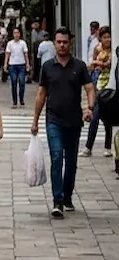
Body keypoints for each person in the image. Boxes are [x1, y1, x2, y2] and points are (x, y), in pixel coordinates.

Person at [30, 26, 97, 218]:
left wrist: (90, 108)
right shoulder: (48, 67)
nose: (62, 45)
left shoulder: (79, 66)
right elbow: (41, 94)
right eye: (58, 42)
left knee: (72, 161)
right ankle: (57, 200)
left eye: (65, 42)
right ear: (54, 43)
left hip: (74, 121)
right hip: (53, 120)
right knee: (57, 157)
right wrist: (35, 121)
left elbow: (90, 89)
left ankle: (67, 196)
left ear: (70, 43)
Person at [85, 26, 113, 158]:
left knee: (108, 118)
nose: (107, 39)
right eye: (105, 37)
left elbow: (109, 63)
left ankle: (107, 147)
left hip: (112, 85)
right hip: (100, 84)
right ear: (100, 38)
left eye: (109, 36)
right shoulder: (98, 48)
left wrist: (100, 64)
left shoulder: (114, 49)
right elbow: (93, 64)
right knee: (95, 116)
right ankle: (88, 147)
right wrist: (99, 64)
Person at [5, 26, 31, 107]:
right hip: (12, 65)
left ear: (20, 34)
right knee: (13, 82)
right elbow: (7, 54)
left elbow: (26, 54)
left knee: (22, 82)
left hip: (21, 65)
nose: (16, 35)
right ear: (13, 34)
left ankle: (22, 100)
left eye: (17, 33)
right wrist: (5, 64)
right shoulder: (10, 43)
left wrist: (28, 64)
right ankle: (15, 102)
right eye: (14, 33)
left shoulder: (23, 43)